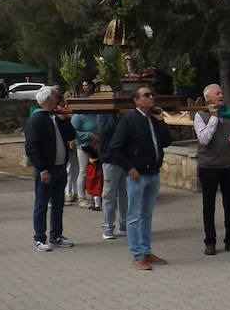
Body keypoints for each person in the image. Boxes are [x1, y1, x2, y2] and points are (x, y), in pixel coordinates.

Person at [107, 85, 171, 269]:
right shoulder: (128, 120)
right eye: (146, 95)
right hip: (138, 175)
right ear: (136, 100)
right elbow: (115, 148)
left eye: (152, 94)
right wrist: (129, 168)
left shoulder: (152, 119)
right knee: (134, 216)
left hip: (153, 174)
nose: (151, 97)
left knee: (146, 215)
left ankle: (146, 251)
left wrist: (161, 121)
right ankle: (137, 256)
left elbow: (166, 142)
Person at [194, 83, 230, 255]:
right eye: (217, 93)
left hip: (228, 165)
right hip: (209, 167)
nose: (221, 95)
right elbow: (204, 139)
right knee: (209, 206)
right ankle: (210, 242)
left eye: (222, 92)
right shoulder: (201, 116)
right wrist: (214, 118)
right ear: (208, 98)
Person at [25, 86, 75, 251]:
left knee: (58, 204)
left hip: (60, 167)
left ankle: (56, 235)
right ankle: (39, 238)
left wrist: (66, 119)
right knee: (41, 204)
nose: (58, 100)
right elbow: (32, 147)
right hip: (47, 170)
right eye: (55, 97)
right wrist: (42, 169)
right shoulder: (37, 119)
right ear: (47, 100)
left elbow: (70, 136)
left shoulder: (54, 117)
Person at [96, 106, 130, 242]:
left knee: (125, 194)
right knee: (109, 195)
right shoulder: (103, 115)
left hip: (125, 159)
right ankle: (108, 228)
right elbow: (105, 132)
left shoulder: (126, 115)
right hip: (110, 159)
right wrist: (115, 116)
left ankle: (124, 226)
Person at [70, 79, 101, 210]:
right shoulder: (79, 116)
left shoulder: (97, 114)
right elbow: (73, 132)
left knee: (97, 172)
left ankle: (96, 196)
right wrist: (89, 135)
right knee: (83, 171)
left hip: (97, 146)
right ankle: (82, 197)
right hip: (83, 147)